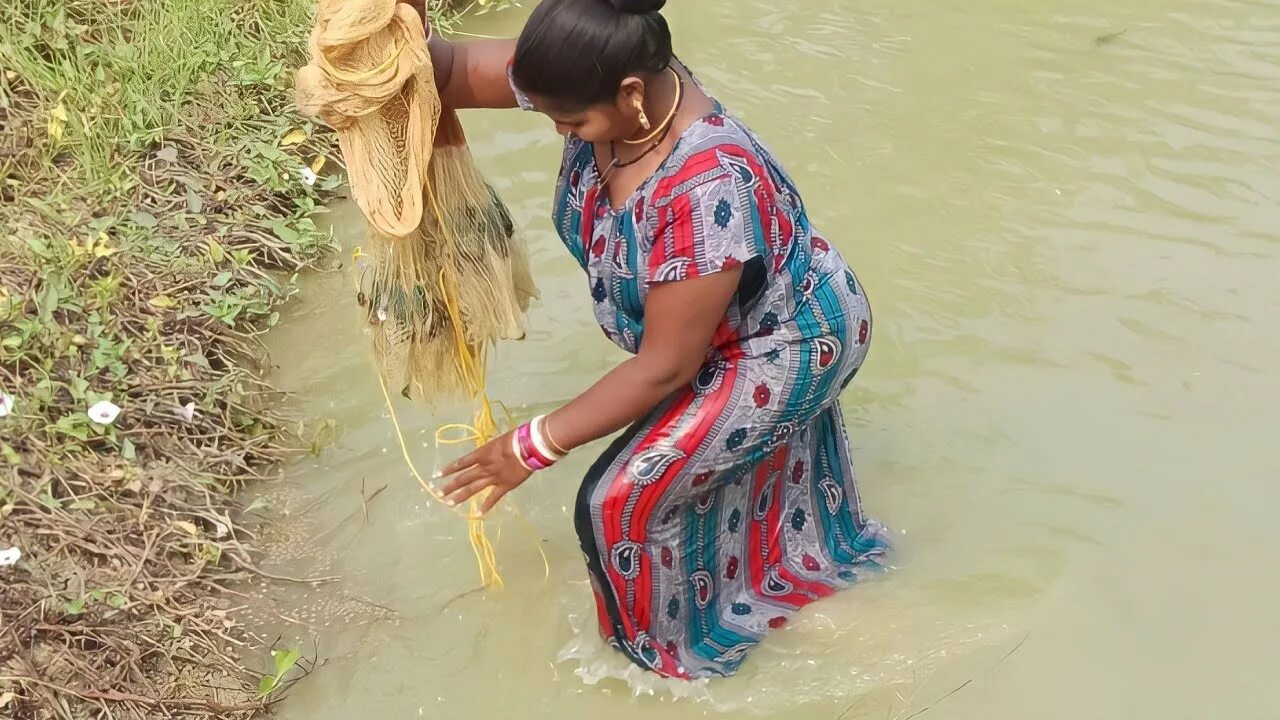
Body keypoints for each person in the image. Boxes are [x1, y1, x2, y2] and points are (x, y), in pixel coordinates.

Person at [434, 0, 889, 679]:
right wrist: (381, 35)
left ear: (631, 96)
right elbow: (441, 70)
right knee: (707, 464)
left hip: (790, 337)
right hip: (728, 326)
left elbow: (665, 368)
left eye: (572, 121)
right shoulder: (604, 80)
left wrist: (530, 446)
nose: (558, 128)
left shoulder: (703, 188)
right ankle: (783, 594)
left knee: (616, 501)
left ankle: (669, 671)